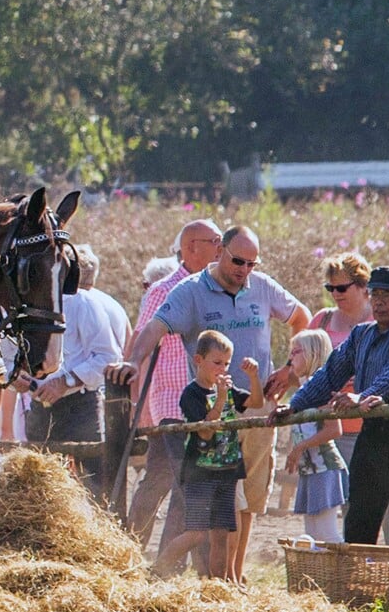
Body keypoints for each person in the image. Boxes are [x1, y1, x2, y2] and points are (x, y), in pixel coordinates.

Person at [116, 225, 309, 571]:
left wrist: (290, 370)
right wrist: (133, 360)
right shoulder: (189, 291)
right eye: (238, 261)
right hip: (212, 412)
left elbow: (301, 318)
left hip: (256, 404)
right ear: (219, 252)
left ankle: (234, 575)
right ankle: (176, 570)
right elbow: (155, 327)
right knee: (212, 501)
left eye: (252, 263)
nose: (245, 270)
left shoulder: (262, 287)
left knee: (250, 495)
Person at [281, 266, 389, 546]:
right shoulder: (361, 335)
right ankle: (358, 583)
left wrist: (363, 397)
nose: (379, 302)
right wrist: (295, 405)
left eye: (388, 295)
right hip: (371, 429)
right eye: (375, 294)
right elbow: (330, 372)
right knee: (360, 511)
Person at [110, 220, 222, 551]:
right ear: (191, 247)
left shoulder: (213, 288)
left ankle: (145, 554)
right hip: (173, 402)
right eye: (214, 240)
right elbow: (141, 344)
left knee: (161, 479)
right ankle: (155, 557)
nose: (220, 247)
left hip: (204, 404)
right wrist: (139, 406)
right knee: (182, 482)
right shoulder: (163, 290)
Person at [155, 331, 257, 580]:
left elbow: (256, 401)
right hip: (200, 470)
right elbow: (205, 432)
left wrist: (254, 377)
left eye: (226, 364)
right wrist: (221, 400)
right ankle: (157, 570)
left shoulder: (229, 391)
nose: (222, 369)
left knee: (220, 534)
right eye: (216, 362)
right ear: (198, 360)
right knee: (198, 533)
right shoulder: (191, 394)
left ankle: (218, 585)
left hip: (226, 470)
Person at [25, 244, 123, 500]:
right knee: (38, 486)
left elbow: (107, 357)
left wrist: (65, 383)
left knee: (93, 484)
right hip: (38, 407)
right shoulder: (26, 307)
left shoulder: (84, 303)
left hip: (80, 407)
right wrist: (21, 381)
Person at [281, 329, 348, 543]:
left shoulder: (321, 389)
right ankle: (319, 575)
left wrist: (300, 448)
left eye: (295, 352)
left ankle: (348, 571)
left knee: (326, 533)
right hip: (310, 469)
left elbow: (334, 429)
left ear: (311, 353)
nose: (290, 358)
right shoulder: (303, 388)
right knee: (312, 534)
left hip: (324, 466)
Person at [310, 252, 373, 464]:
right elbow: (300, 361)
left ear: (363, 285)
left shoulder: (382, 320)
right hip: (323, 426)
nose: (335, 293)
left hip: (366, 425)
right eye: (330, 288)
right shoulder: (322, 320)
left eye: (342, 288)